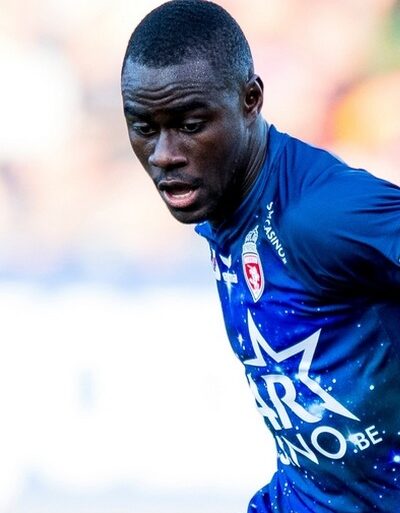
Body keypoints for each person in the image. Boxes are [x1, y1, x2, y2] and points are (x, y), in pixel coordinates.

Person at [121, 1, 400, 511]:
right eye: (143, 127)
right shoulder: (222, 198)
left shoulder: (319, 215)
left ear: (251, 100)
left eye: (190, 125)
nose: (163, 154)